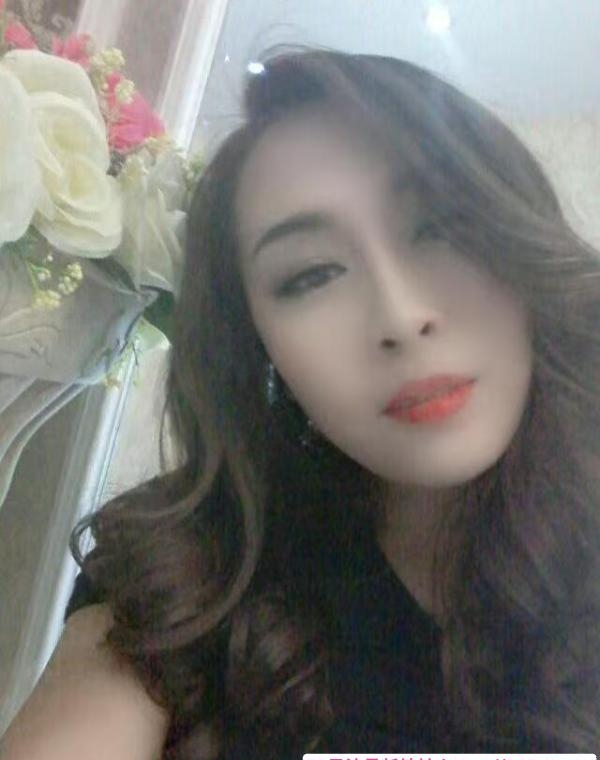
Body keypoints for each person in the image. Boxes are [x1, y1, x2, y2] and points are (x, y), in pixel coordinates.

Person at [3, 46, 600, 760]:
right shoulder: (193, 578)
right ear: (260, 346)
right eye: (312, 275)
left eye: (442, 230)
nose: (402, 316)